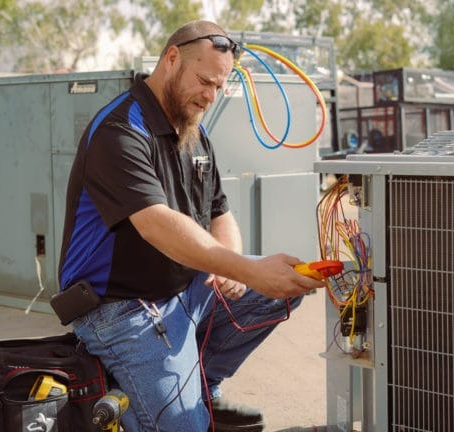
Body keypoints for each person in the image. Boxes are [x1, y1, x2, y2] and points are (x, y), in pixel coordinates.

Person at [57, 20, 326, 432]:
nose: (210, 96)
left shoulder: (194, 134)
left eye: (219, 87)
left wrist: (229, 264)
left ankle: (203, 385)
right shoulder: (121, 130)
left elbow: (220, 213)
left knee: (282, 288)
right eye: (204, 81)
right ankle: (125, 389)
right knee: (187, 427)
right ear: (171, 59)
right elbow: (156, 225)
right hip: (122, 308)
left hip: (185, 289)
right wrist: (247, 269)